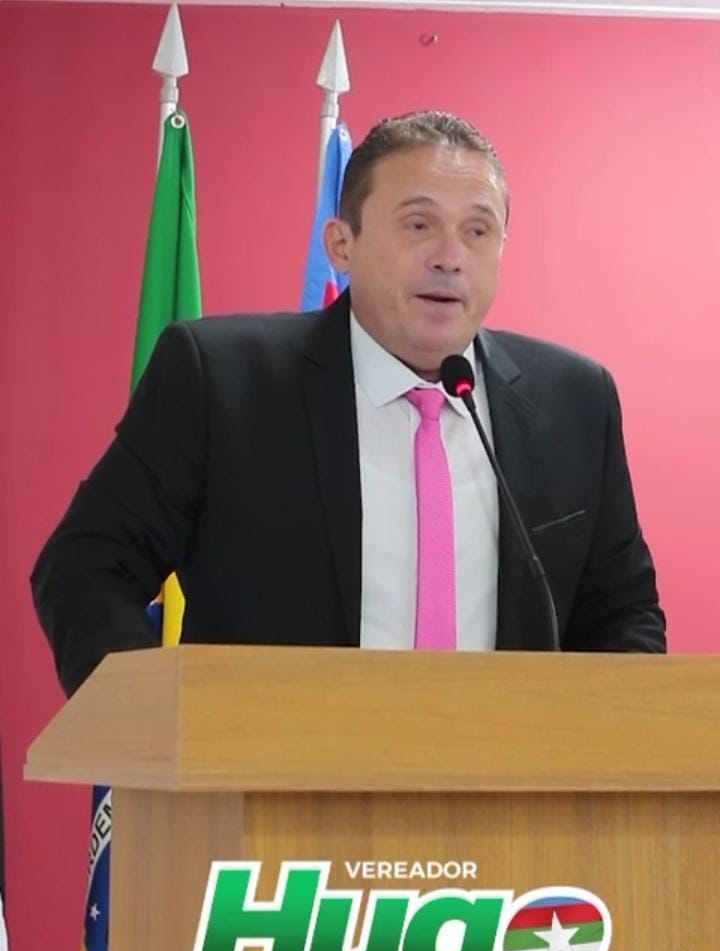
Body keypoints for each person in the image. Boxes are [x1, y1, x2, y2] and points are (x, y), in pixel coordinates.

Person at [31, 110, 665, 698]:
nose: (450, 257)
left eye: (478, 230)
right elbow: (85, 567)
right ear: (341, 243)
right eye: (418, 224)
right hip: (274, 777)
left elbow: (623, 615)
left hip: (509, 780)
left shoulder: (575, 402)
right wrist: (153, 726)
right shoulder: (221, 382)